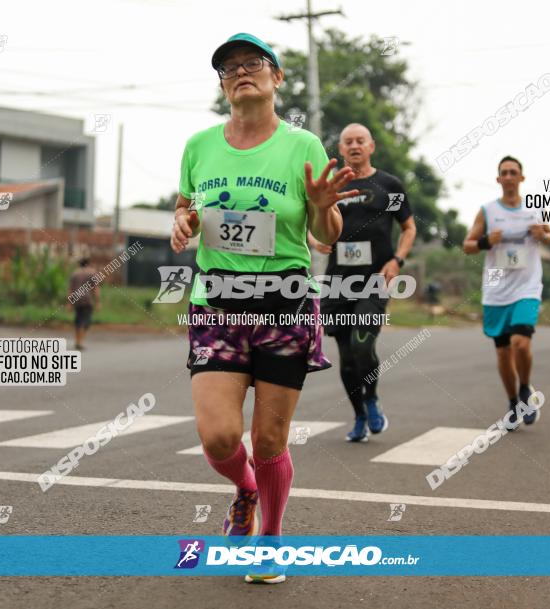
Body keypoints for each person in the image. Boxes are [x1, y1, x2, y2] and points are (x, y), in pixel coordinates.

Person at [170, 33, 355, 585]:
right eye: (228, 69)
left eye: (251, 64)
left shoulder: (302, 147)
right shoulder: (200, 145)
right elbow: (185, 206)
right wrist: (180, 221)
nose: (239, 72)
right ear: (222, 86)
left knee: (270, 440)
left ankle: (269, 540)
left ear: (276, 78)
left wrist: (322, 209)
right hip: (219, 304)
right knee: (220, 438)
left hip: (284, 305)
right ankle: (246, 489)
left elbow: (326, 235)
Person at [308, 123, 416, 442]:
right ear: (340, 150)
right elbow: (309, 221)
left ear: (371, 146)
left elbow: (408, 227)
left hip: (375, 279)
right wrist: (315, 240)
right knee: (345, 353)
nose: (354, 146)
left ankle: (371, 397)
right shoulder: (329, 186)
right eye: (347, 142)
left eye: (360, 141)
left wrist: (397, 260)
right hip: (339, 279)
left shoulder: (388, 185)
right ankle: (358, 416)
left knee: (362, 344)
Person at [463, 156, 550, 428]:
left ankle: (525, 387)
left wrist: (544, 235)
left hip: (527, 287)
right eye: (505, 172)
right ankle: (513, 401)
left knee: (520, 343)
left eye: (514, 172)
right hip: (496, 289)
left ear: (522, 178)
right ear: (498, 179)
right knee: (502, 353)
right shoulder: (488, 211)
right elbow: (467, 245)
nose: (510, 176)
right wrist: (485, 241)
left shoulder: (536, 209)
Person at [67, 258, 99, 350]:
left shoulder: (74, 274)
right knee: (86, 322)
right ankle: (80, 342)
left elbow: (70, 289)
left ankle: (77, 341)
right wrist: (97, 302)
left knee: (78, 320)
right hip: (87, 300)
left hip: (76, 299)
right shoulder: (92, 273)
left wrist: (69, 303)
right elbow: (95, 289)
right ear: (88, 264)